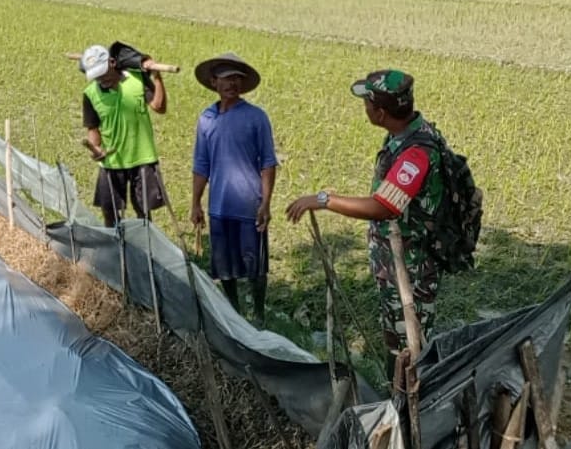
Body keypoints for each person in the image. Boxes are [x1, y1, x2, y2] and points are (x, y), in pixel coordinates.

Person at [285, 70, 447, 372]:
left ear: (381, 112)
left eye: (367, 104)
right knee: (397, 336)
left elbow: (384, 206)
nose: (365, 109)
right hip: (397, 263)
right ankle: (398, 394)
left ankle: (407, 405)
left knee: (409, 347)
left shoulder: (416, 153)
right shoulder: (404, 133)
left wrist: (324, 199)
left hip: (412, 267)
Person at [190, 53, 278, 326]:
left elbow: (268, 162)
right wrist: (195, 203)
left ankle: (259, 315)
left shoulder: (256, 117)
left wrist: (265, 202)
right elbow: (201, 164)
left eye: (237, 79)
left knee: (256, 268)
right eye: (227, 79)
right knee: (225, 268)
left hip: (249, 205)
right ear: (214, 82)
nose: (233, 84)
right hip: (219, 207)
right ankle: (234, 313)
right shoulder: (207, 119)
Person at [80, 43, 167, 227]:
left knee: (143, 213)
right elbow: (93, 129)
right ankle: (116, 251)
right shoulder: (90, 94)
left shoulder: (136, 79)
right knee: (109, 212)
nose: (101, 79)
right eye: (95, 76)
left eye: (102, 73)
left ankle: (144, 251)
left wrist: (156, 77)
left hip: (142, 158)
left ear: (112, 63)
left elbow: (159, 107)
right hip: (112, 161)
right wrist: (96, 149)